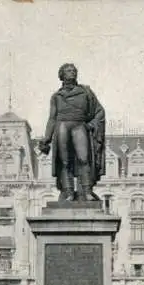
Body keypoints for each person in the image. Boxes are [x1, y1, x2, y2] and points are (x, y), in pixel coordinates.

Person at [39, 63, 106, 201]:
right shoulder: (56, 96)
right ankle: (68, 192)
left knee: (84, 158)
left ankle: (87, 191)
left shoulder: (86, 92)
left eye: (74, 70)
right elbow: (52, 118)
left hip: (79, 125)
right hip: (61, 125)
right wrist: (46, 138)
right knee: (64, 162)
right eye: (68, 70)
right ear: (62, 75)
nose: (72, 72)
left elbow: (100, 111)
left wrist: (92, 124)